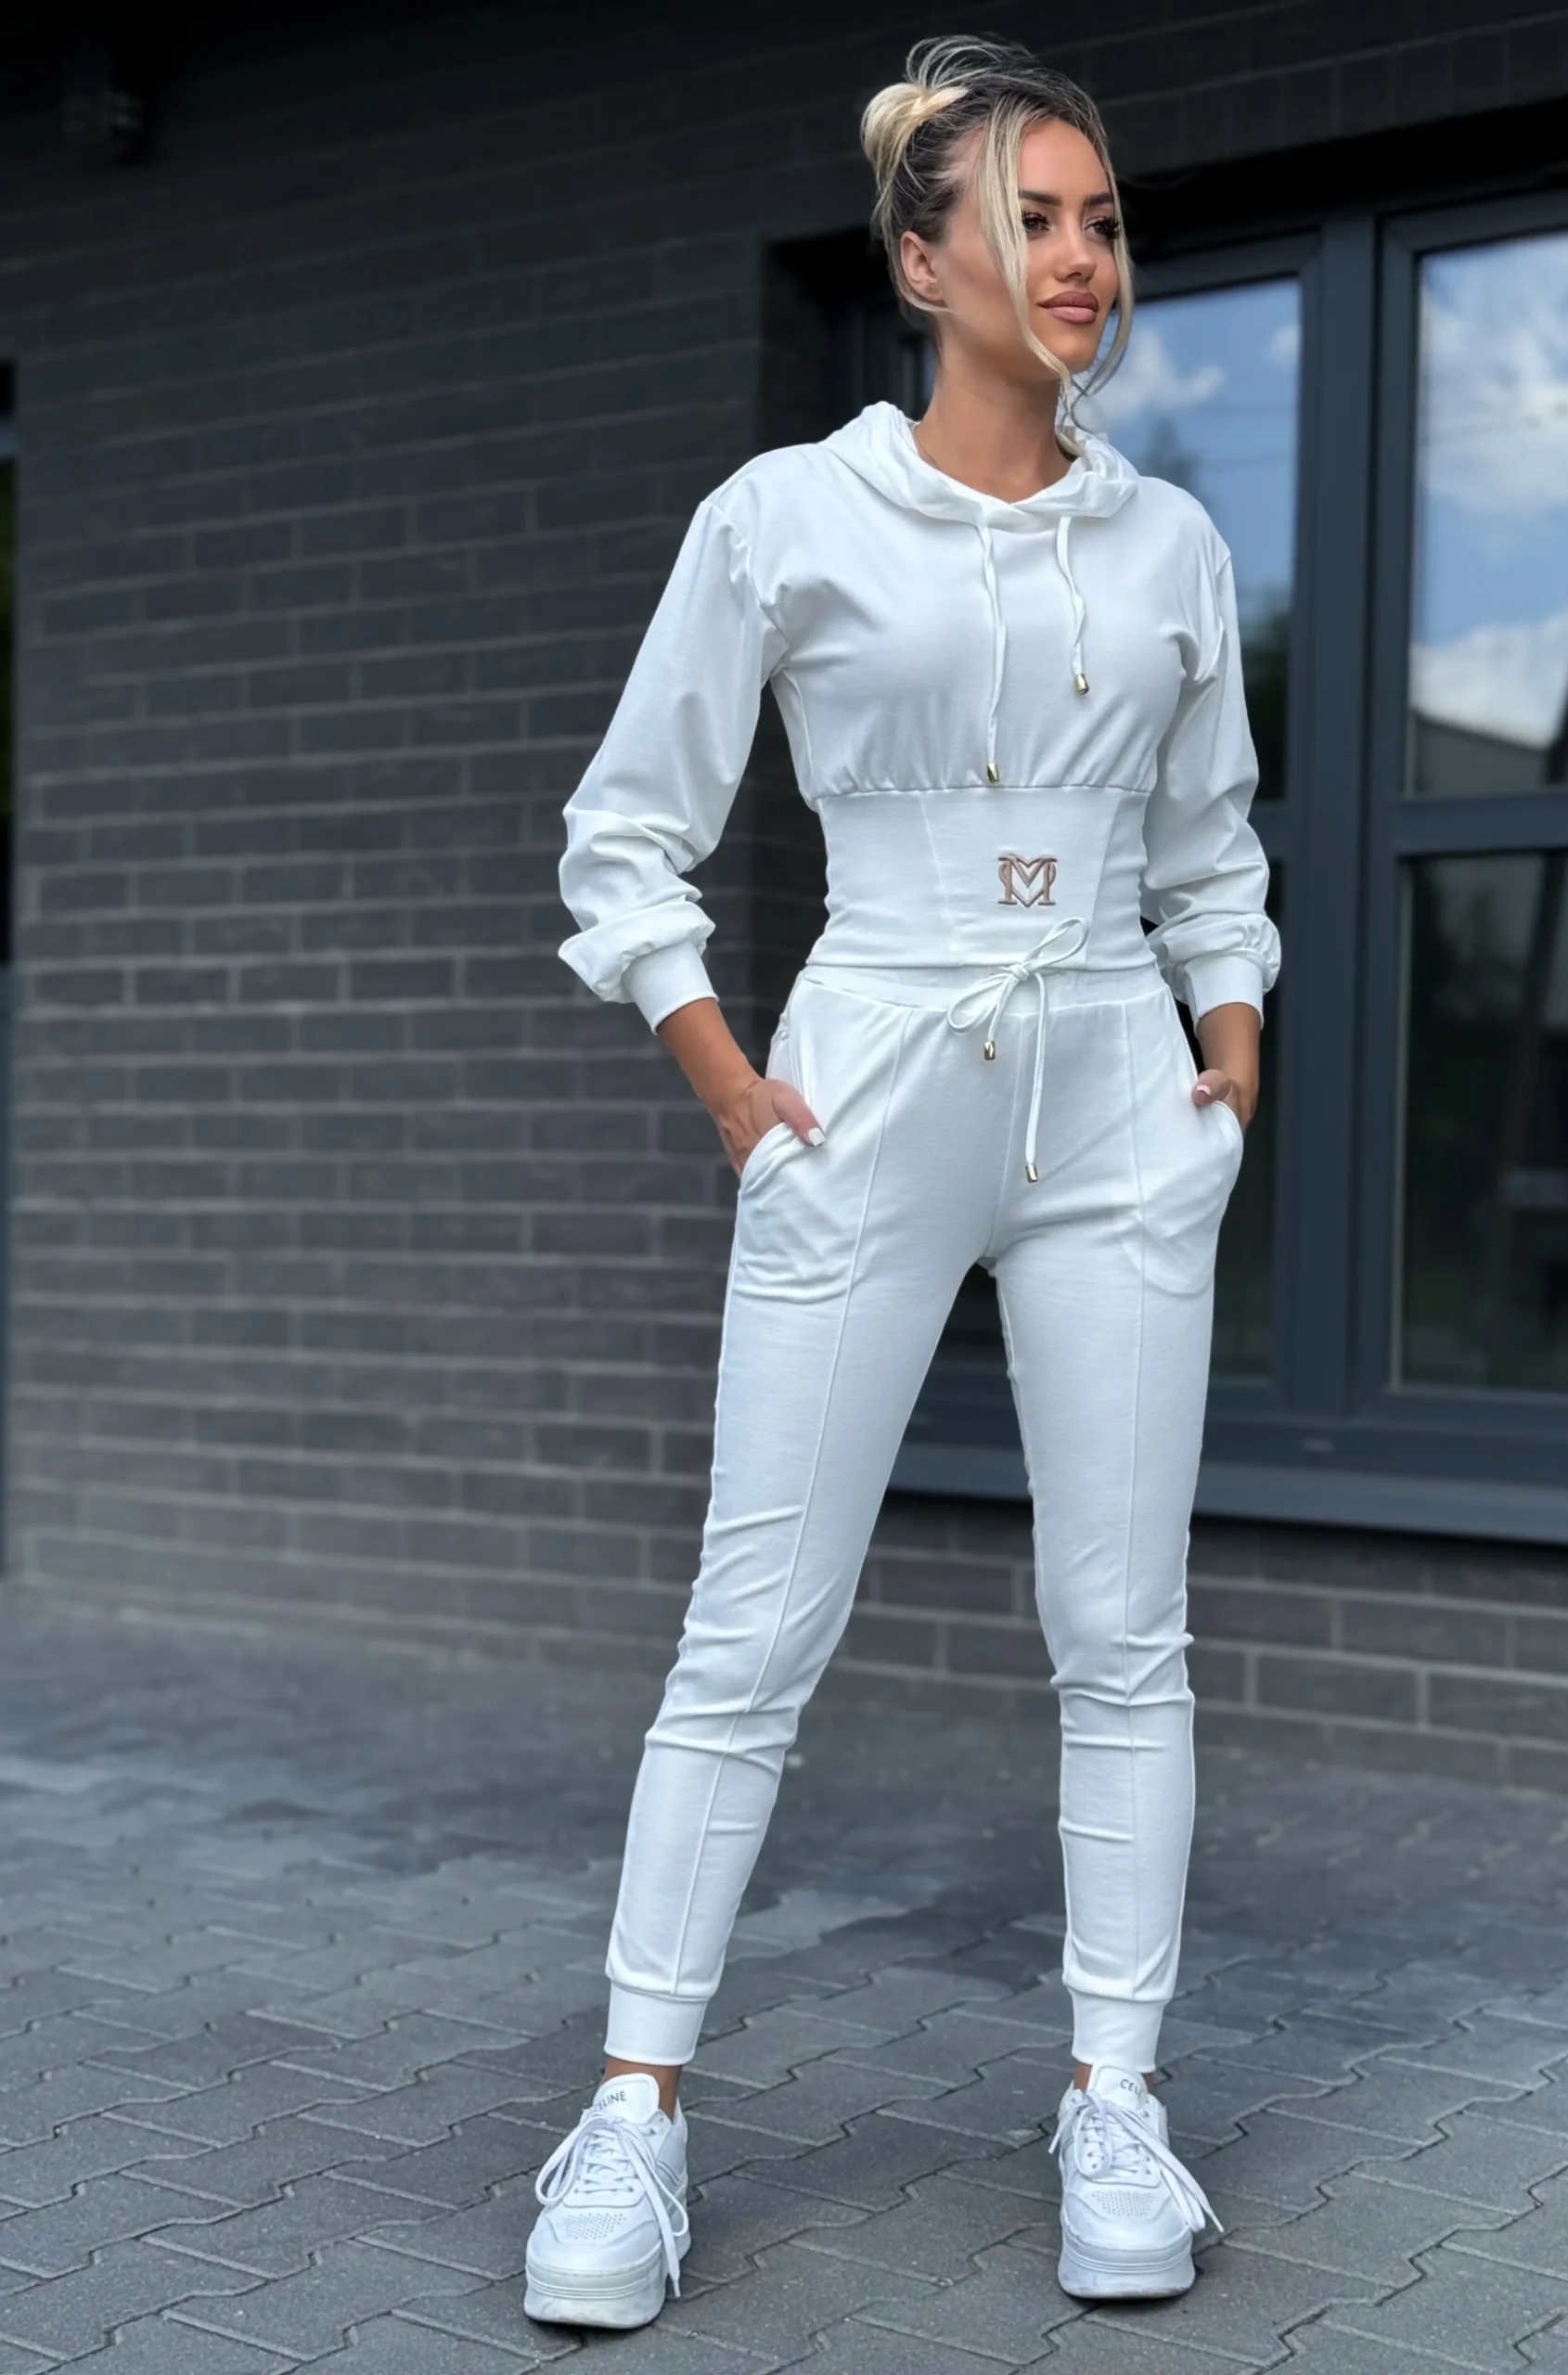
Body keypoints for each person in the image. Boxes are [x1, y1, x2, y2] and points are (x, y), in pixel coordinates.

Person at [523, 33, 1279, 2332]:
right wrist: (726, 1077)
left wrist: (1226, 1058)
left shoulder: (1171, 541)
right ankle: (633, 2107)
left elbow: (1209, 848)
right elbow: (625, 832)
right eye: (1033, 219)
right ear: (922, 258)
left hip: (1118, 1092)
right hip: (867, 1064)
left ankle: (1115, 2100)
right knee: (756, 1620)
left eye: (1102, 220)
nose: (1081, 259)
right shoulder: (786, 515)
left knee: (1122, 1629)